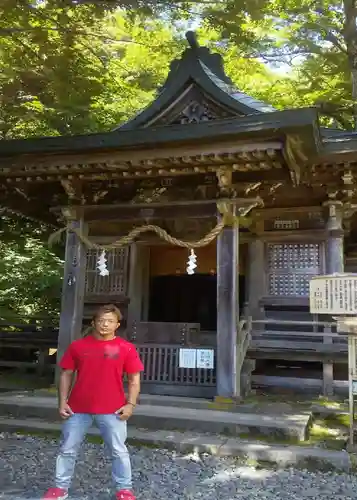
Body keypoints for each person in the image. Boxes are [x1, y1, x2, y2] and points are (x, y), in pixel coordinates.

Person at [42, 304, 144, 500]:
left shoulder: (126, 348)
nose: (105, 324)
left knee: (118, 450)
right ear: (93, 322)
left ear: (117, 325)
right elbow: (66, 374)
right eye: (101, 320)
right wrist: (62, 402)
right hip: (78, 407)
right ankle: (60, 488)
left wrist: (130, 404)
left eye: (110, 321)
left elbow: (134, 379)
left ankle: (124, 489)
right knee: (67, 449)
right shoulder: (78, 346)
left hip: (113, 408)